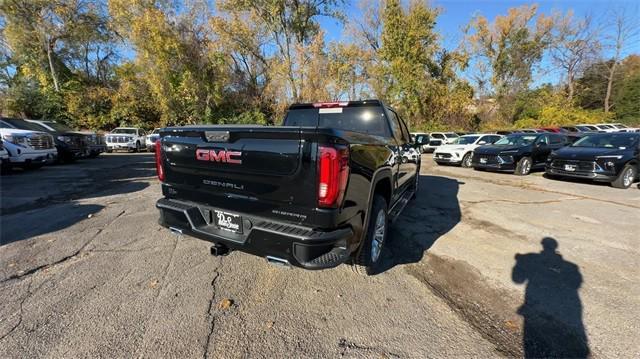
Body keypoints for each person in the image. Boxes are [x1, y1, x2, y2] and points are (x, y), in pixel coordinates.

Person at [512, 237, 590, 358]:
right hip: (566, 309)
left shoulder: (531, 259)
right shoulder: (571, 267)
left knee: (536, 343)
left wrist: (519, 261)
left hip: (538, 306)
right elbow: (576, 283)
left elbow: (517, 279)